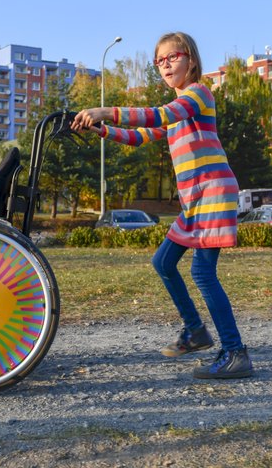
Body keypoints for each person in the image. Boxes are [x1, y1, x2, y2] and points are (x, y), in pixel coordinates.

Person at [71, 32, 251, 379]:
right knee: (164, 261)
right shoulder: (176, 110)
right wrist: (102, 130)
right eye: (160, 61)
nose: (166, 64)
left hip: (213, 192)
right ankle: (196, 331)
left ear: (191, 61)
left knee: (202, 273)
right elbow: (140, 136)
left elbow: (159, 115)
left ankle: (235, 352)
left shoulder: (197, 95)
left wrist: (106, 110)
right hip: (197, 199)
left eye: (173, 57)